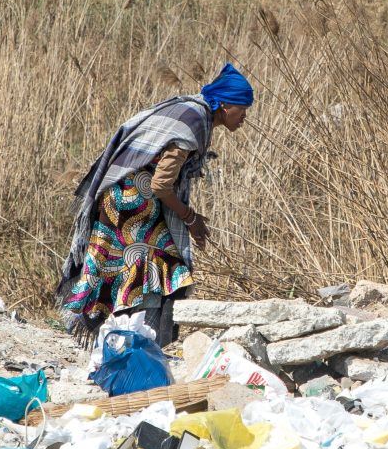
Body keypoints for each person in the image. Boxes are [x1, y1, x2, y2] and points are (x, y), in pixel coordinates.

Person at [58, 64, 254, 346]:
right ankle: (143, 343)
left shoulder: (192, 112)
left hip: (125, 199)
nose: (244, 117)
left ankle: (132, 340)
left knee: (137, 272)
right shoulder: (194, 123)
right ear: (224, 105)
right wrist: (189, 217)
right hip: (132, 205)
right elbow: (161, 185)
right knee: (161, 272)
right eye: (242, 109)